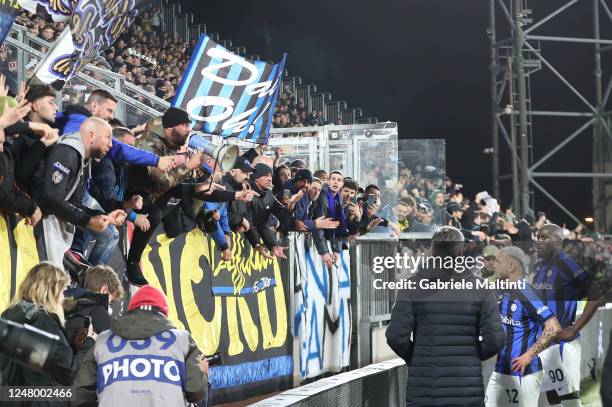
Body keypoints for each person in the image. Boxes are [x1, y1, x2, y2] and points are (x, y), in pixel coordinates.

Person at [386, 226, 506, 407]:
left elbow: (395, 336)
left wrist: (417, 357)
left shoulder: (411, 285)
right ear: (460, 252)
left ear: (433, 250)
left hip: (424, 389)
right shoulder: (481, 287)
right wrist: (471, 356)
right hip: (466, 387)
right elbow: (496, 339)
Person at [73, 285, 209, 406]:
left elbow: (81, 395)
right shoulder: (183, 340)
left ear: (131, 311)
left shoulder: (103, 340)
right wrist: (202, 373)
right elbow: (195, 391)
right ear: (163, 314)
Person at [32, 117, 126, 268]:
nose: (110, 144)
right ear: (91, 136)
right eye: (108, 138)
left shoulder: (83, 159)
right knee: (47, 284)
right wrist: (87, 221)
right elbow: (51, 198)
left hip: (51, 227)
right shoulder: (67, 152)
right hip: (40, 224)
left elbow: (74, 203)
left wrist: (101, 217)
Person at [0, 262, 97, 405]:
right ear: (52, 292)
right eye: (62, 292)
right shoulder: (43, 324)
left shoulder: (10, 315)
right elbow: (70, 374)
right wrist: (89, 343)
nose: (63, 298)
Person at [533, 224, 604, 407]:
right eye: (538, 237)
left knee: (570, 400)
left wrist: (575, 328)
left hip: (562, 345)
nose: (539, 241)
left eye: (544, 238)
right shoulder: (540, 266)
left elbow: (595, 295)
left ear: (557, 241)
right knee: (553, 398)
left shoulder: (566, 263)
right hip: (545, 343)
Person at [485, 246, 561, 407]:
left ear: (510, 266)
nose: (494, 265)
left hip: (523, 374)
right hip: (499, 371)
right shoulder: (500, 291)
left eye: (498, 261)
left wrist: (529, 355)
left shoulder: (526, 293)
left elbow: (553, 327)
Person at [64, 265, 125, 350]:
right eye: (110, 302)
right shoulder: (97, 312)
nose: (109, 309)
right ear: (104, 289)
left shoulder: (64, 297)